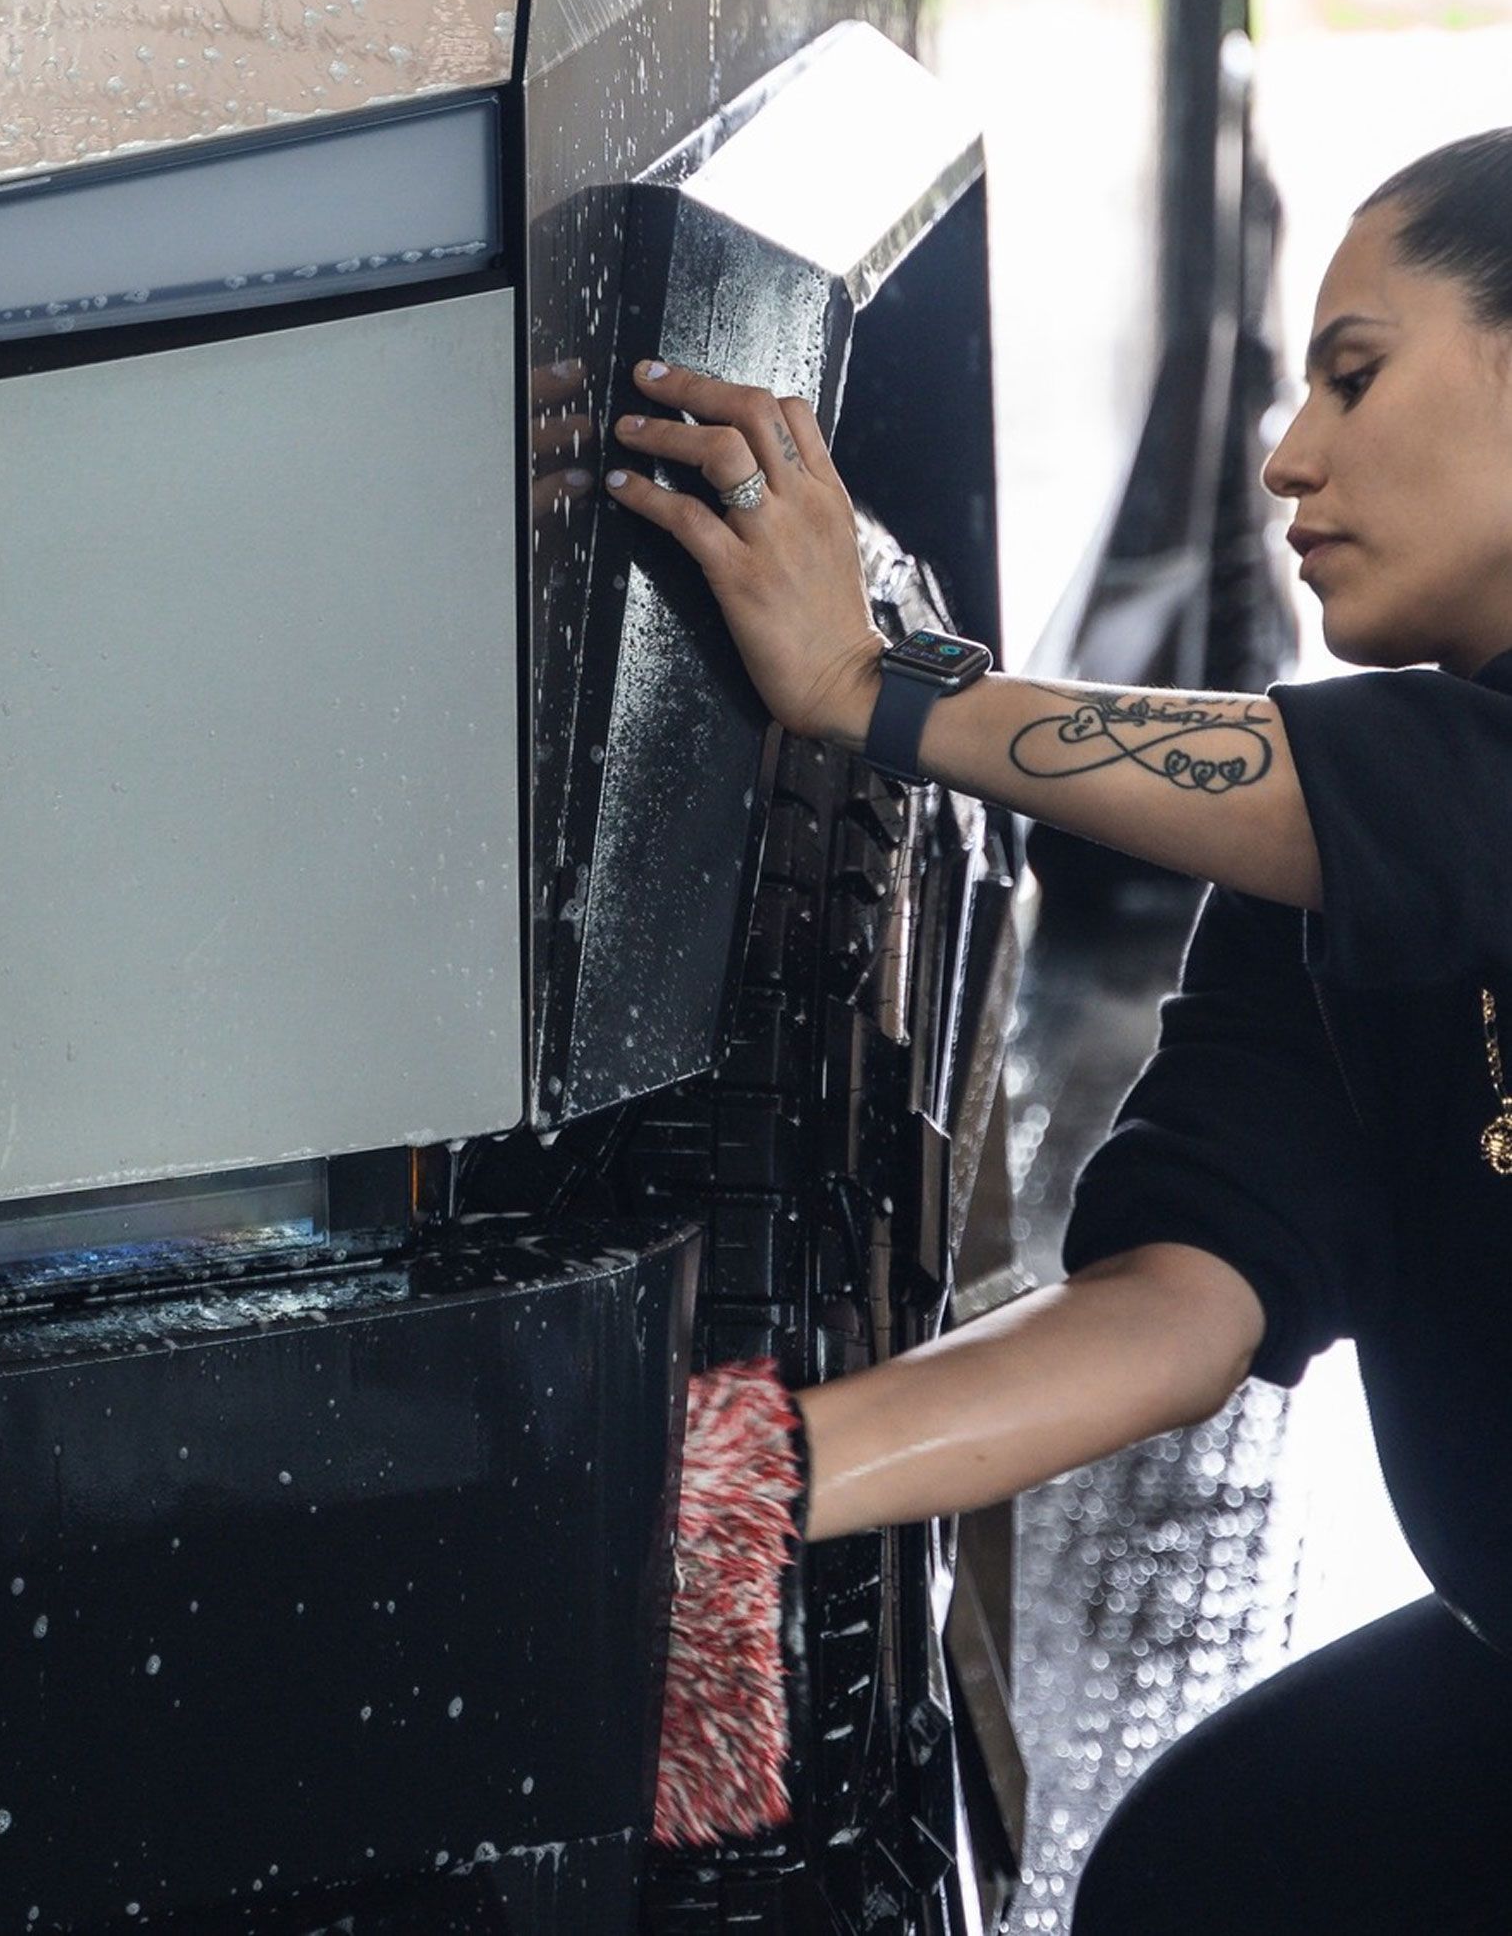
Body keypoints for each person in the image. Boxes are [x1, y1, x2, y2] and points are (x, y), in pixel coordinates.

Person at [609, 130, 1512, 1932]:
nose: (1286, 461)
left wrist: (877, 690)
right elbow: (1181, 1306)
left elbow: (1422, 802)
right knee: (1213, 1880)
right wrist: (746, 1494)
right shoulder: (1328, 868)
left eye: (1355, 373)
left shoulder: (1370, 805)